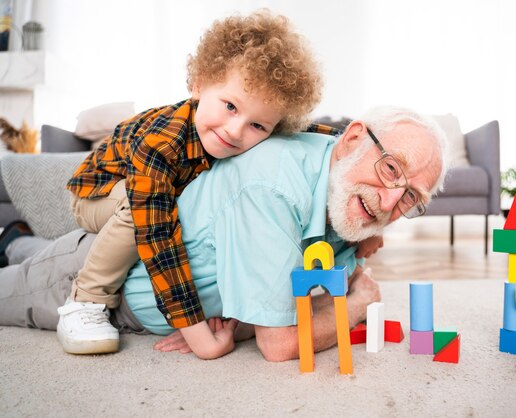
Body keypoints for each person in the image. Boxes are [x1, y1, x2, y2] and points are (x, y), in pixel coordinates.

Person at [0, 106, 448, 361]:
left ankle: (13, 238)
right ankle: (17, 244)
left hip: (142, 273)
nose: (389, 203)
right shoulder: (273, 183)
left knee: (23, 249)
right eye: (391, 169)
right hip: (103, 284)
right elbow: (281, 342)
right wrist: (357, 303)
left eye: (410, 198)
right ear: (353, 139)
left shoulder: (348, 188)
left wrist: (358, 249)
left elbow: (314, 285)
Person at [57, 10, 324, 357]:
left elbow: (307, 136)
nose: (235, 130)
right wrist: (203, 340)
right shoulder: (160, 144)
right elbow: (157, 235)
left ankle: (17, 244)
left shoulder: (252, 135)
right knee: (137, 207)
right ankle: (86, 301)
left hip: (161, 190)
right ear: (199, 84)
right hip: (100, 193)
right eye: (230, 106)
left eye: (258, 125)